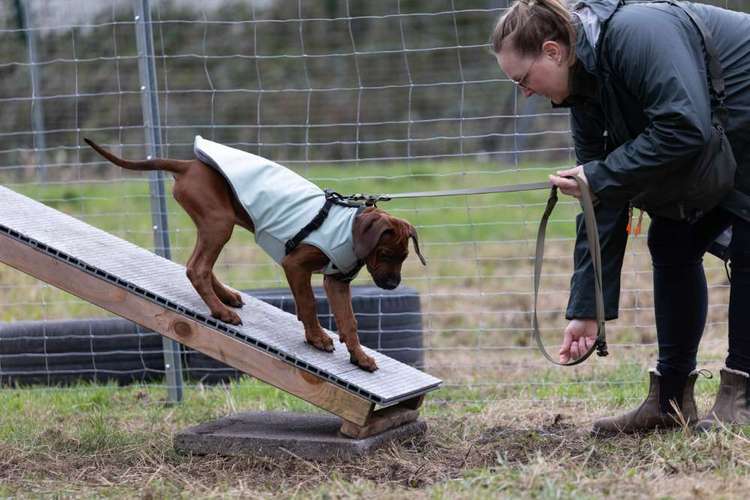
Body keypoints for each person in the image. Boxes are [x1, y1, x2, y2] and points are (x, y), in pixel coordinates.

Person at [492, 0, 750, 434]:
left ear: (553, 52)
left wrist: (601, 173)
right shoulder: (585, 94)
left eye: (523, 78)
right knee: (671, 240)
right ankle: (669, 400)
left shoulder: (637, 32)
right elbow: (601, 197)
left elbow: (682, 124)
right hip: (719, 134)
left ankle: (741, 397)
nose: (525, 92)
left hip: (737, 123)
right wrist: (587, 307)